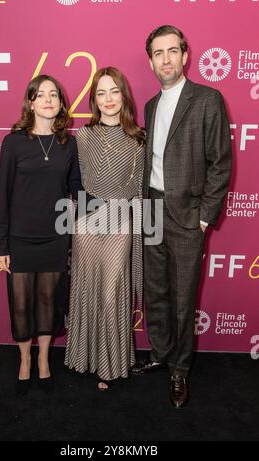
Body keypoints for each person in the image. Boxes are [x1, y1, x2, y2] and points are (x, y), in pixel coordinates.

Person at [132, 25, 232, 408]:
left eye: (172, 51)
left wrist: (205, 217)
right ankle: (160, 354)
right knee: (155, 291)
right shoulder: (151, 106)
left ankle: (180, 370)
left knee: (183, 296)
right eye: (158, 53)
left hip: (188, 215)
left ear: (185, 55)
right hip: (153, 208)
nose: (166, 59)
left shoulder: (207, 99)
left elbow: (220, 165)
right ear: (151, 61)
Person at [0, 74, 81, 396]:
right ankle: (24, 360)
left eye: (53, 95)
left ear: (60, 104)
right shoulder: (13, 142)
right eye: (41, 95)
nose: (48, 100)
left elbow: (75, 187)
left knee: (48, 301)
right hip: (19, 238)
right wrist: (1, 244)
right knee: (20, 305)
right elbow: (2, 195)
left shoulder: (68, 143)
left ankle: (44, 360)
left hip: (55, 238)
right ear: (30, 102)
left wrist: (106, 204)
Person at [64, 67, 145, 390]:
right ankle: (83, 357)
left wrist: (140, 228)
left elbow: (140, 191)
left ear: (124, 95)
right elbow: (76, 184)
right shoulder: (83, 137)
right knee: (86, 291)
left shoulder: (139, 138)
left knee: (111, 294)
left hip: (122, 225)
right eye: (101, 92)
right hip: (87, 225)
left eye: (114, 91)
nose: (109, 99)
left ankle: (109, 364)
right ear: (94, 99)